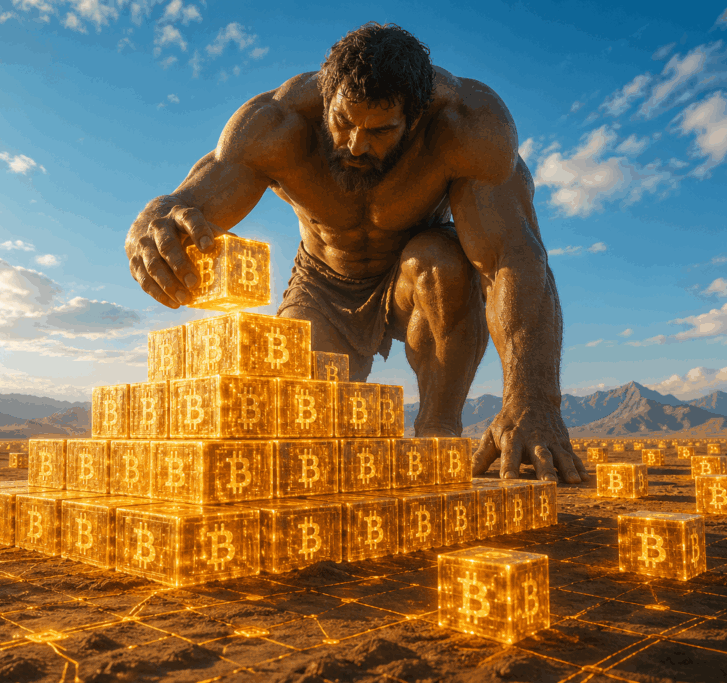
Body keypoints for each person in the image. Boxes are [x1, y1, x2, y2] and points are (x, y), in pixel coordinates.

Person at [124, 22, 587, 484]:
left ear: (417, 114)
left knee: (438, 261)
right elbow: (188, 204)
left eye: (381, 131)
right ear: (326, 97)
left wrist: (533, 397)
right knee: (297, 445)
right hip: (321, 284)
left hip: (415, 278)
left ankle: (437, 432)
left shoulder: (468, 129)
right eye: (343, 122)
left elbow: (516, 258)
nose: (355, 144)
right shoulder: (276, 124)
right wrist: (154, 224)